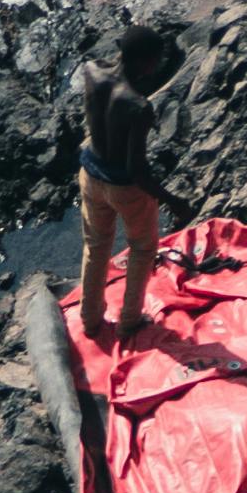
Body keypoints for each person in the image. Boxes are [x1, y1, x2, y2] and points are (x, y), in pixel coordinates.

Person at [72, 23, 180, 343]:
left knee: (96, 246)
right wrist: (173, 201)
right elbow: (137, 171)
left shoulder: (91, 71)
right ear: (145, 62)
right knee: (143, 247)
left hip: (90, 173)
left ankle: (90, 320)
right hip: (124, 186)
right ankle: (129, 321)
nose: (156, 66)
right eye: (155, 61)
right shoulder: (138, 107)